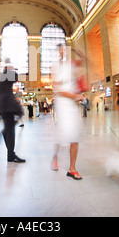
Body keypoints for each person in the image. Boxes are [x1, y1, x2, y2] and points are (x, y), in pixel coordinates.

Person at [51, 45, 84, 180]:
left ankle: (72, 169)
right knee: (63, 134)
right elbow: (58, 89)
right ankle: (55, 156)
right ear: (57, 52)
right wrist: (75, 96)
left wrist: (80, 53)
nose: (62, 52)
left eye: (64, 50)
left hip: (72, 103)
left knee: (74, 135)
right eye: (60, 50)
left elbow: (83, 62)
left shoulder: (71, 65)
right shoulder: (54, 67)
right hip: (62, 103)